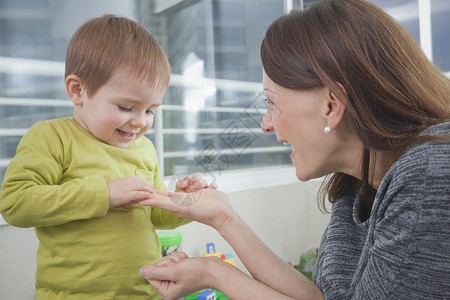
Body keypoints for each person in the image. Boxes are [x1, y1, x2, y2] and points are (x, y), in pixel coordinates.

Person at [138, 0, 450, 299]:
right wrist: (224, 219)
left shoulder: (430, 176)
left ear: (331, 105)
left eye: (272, 103)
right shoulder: (356, 189)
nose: (265, 124)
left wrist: (217, 275)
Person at [0, 15, 214, 300]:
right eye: (127, 107)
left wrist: (181, 201)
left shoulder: (144, 149)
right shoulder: (53, 137)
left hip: (143, 293)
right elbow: (15, 202)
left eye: (150, 110)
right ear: (78, 91)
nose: (140, 122)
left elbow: (153, 215)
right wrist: (104, 193)